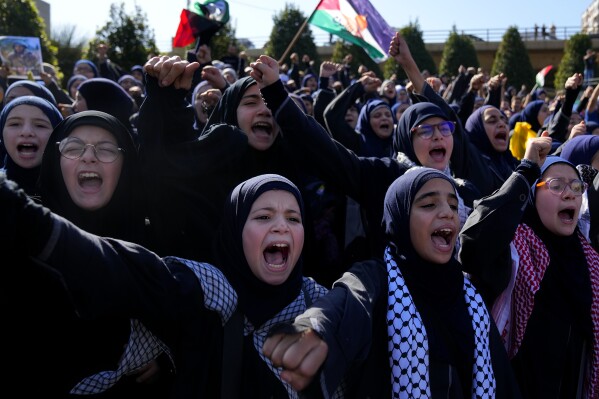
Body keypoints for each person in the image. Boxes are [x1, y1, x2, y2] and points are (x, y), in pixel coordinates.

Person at [0, 172, 346, 398]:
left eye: (293, 217)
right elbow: (122, 270)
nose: (282, 227)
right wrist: (28, 219)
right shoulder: (210, 289)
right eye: (263, 216)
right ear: (235, 231)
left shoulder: (321, 304)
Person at [265, 167, 522, 398]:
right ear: (400, 218)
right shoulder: (377, 278)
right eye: (429, 205)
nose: (446, 212)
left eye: (454, 206)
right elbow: (344, 304)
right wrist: (314, 331)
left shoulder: (469, 297)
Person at [459, 133, 599, 397]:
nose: (570, 194)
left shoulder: (588, 258)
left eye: (576, 187)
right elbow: (472, 246)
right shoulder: (513, 248)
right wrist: (525, 170)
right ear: (532, 194)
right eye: (557, 185)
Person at [0, 95, 63, 196]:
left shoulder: (75, 189)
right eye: (15, 124)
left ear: (57, 135)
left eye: (40, 125)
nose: (26, 132)